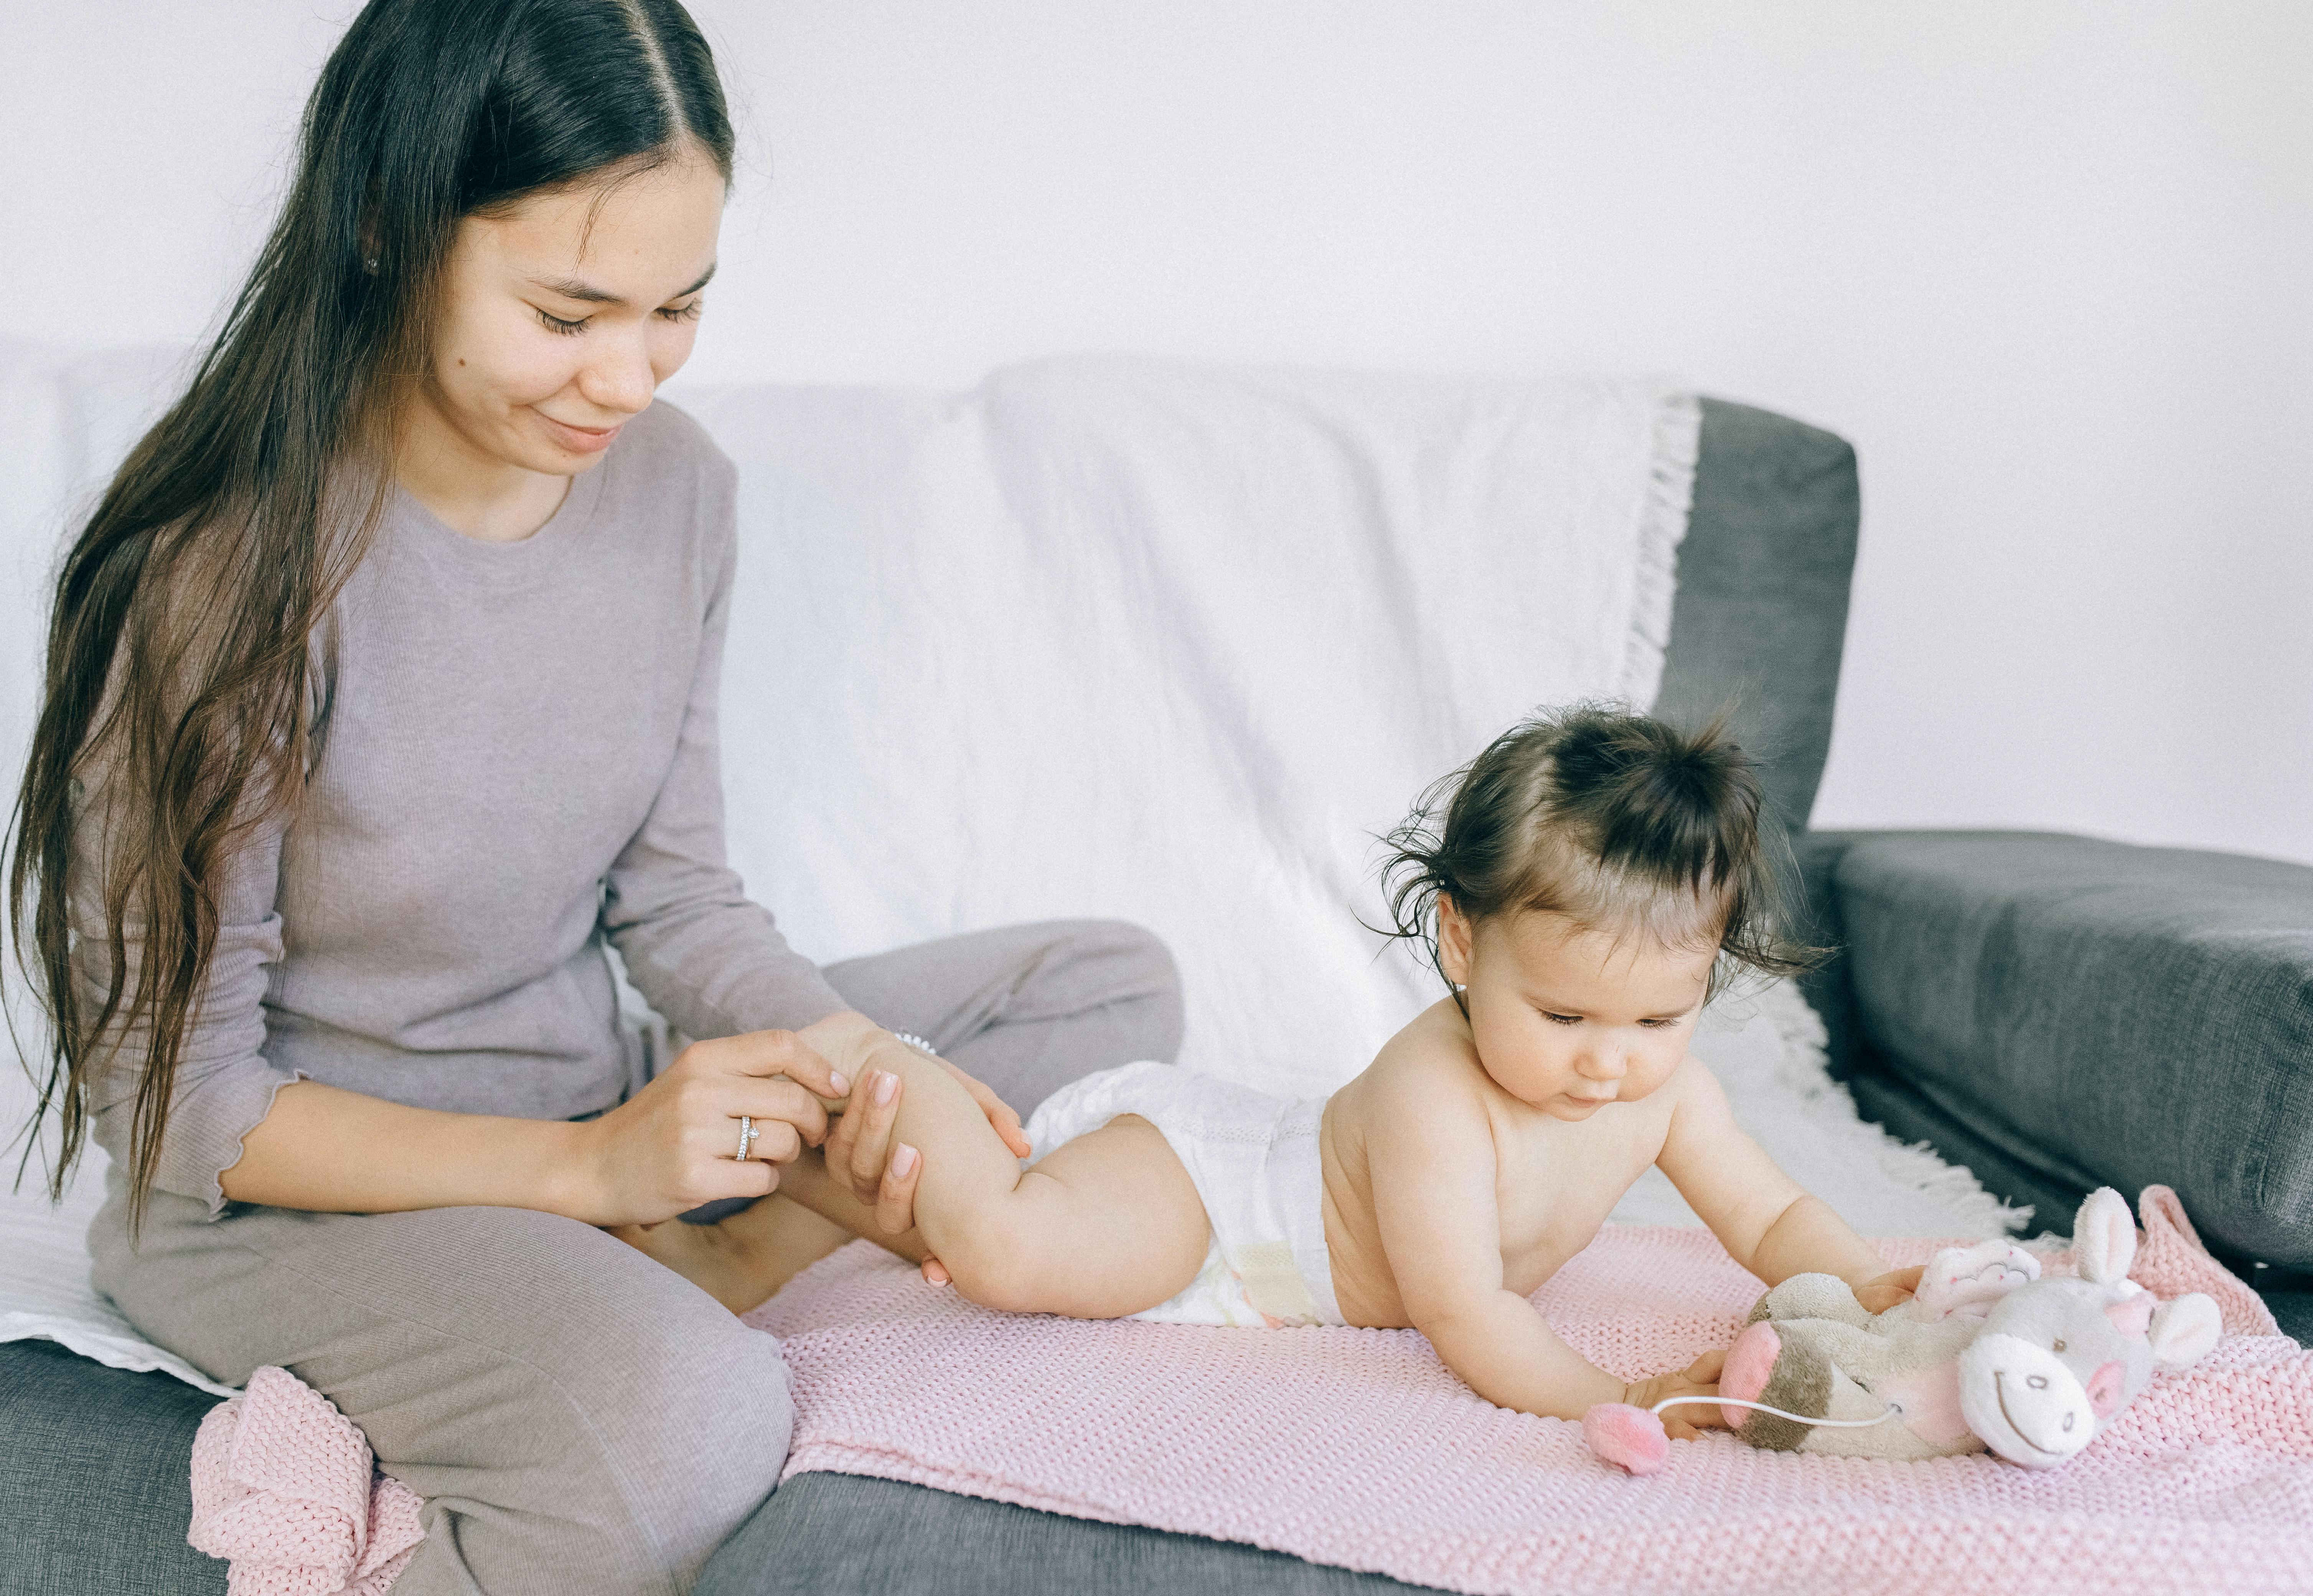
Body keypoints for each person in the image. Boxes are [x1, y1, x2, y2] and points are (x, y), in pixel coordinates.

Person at [4, 3, 1178, 1591]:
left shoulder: (680, 488)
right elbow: (196, 1103)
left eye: (677, 308)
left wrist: (856, 1062)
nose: (625, 378)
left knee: (1106, 986)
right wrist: (590, 1172)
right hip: (289, 1202)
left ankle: (707, 1243)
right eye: (568, 312)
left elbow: (675, 896)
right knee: (690, 1423)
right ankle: (678, 1264)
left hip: (593, 1092)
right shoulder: (231, 570)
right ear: (385, 231)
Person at [657, 704, 1925, 1436]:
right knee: (1004, 1252)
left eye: (1658, 1019)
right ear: (1463, 940)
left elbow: (1764, 1215)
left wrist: (1875, 1280)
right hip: (1216, 1200)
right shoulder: (1438, 1091)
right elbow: (1465, 1312)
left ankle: (814, 1177)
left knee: (986, 1233)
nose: (1609, 1065)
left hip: (1262, 1264)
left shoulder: (1667, 1094)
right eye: (1563, 1013)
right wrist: (1626, 1397)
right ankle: (872, 1064)